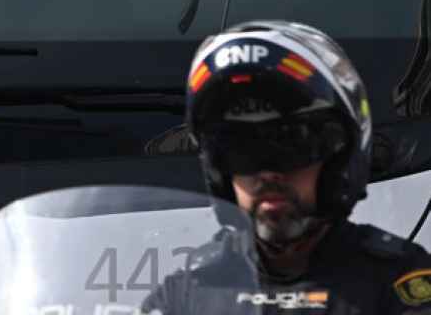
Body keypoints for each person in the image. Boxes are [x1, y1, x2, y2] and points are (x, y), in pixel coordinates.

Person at [144, 20, 431, 313]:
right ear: (217, 170)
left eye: (291, 144)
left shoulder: (400, 284)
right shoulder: (187, 294)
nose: (266, 173)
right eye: (240, 149)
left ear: (338, 155)